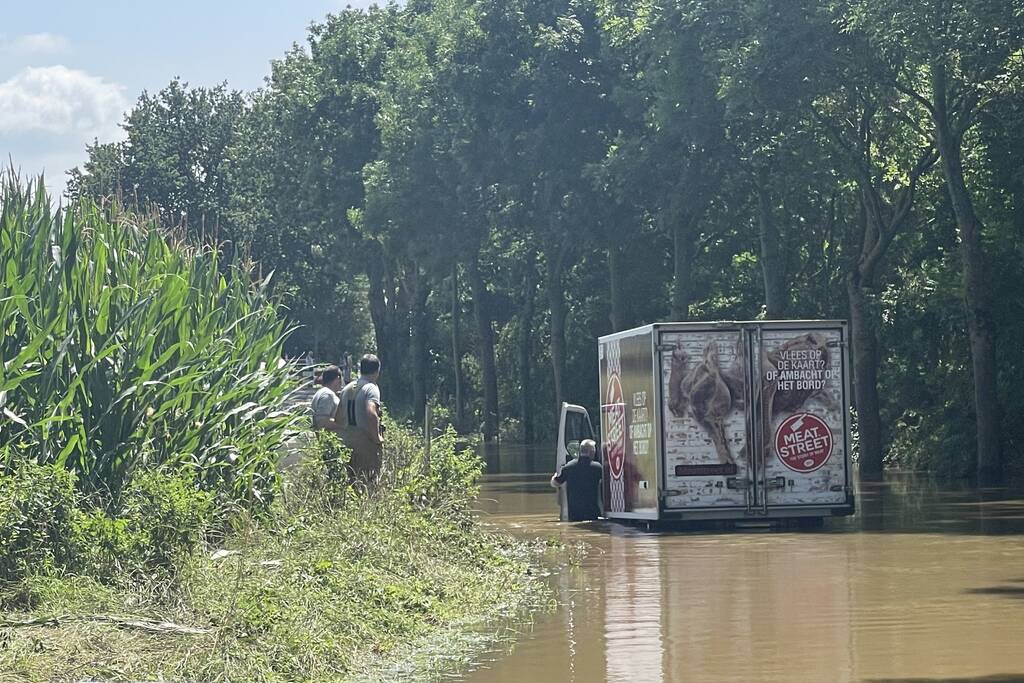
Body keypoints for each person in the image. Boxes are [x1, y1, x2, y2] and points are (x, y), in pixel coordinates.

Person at [337, 354, 384, 482]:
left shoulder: (347, 388)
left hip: (346, 441)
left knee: (350, 482)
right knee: (368, 482)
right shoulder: (371, 388)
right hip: (364, 442)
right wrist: (377, 438)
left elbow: (338, 417)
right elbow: (371, 412)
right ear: (377, 371)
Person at [550, 439, 603, 521]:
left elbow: (555, 483)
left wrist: (555, 475)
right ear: (591, 452)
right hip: (592, 512)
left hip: (574, 513)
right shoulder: (597, 468)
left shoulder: (568, 467)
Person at [311, 365, 344, 431]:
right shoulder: (328, 395)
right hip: (328, 439)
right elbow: (322, 422)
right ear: (337, 379)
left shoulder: (321, 392)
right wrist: (343, 427)